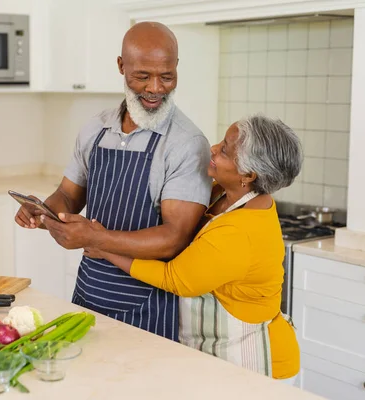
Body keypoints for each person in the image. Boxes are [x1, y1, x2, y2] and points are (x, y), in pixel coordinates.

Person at [14, 22, 212, 341]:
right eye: (142, 76)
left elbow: (174, 237)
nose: (155, 88)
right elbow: (68, 194)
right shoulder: (96, 129)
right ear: (121, 66)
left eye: (167, 76)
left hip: (149, 306)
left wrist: (96, 239)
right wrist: (44, 211)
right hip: (89, 293)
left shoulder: (186, 143)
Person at [84, 114, 302, 383]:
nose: (213, 149)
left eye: (224, 150)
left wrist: (105, 247)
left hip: (257, 362)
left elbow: (175, 279)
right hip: (226, 353)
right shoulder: (228, 193)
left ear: (248, 174)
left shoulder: (239, 231)